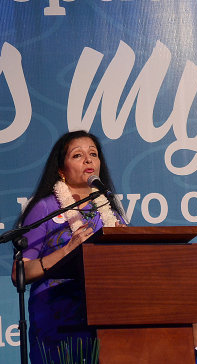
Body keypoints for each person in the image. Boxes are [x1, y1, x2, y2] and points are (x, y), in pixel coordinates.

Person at [10, 130, 126, 363]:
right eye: (77, 155)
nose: (88, 159)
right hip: (58, 324)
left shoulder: (111, 211)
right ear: (61, 170)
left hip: (105, 320)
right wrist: (66, 251)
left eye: (93, 153)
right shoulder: (44, 209)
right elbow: (19, 273)